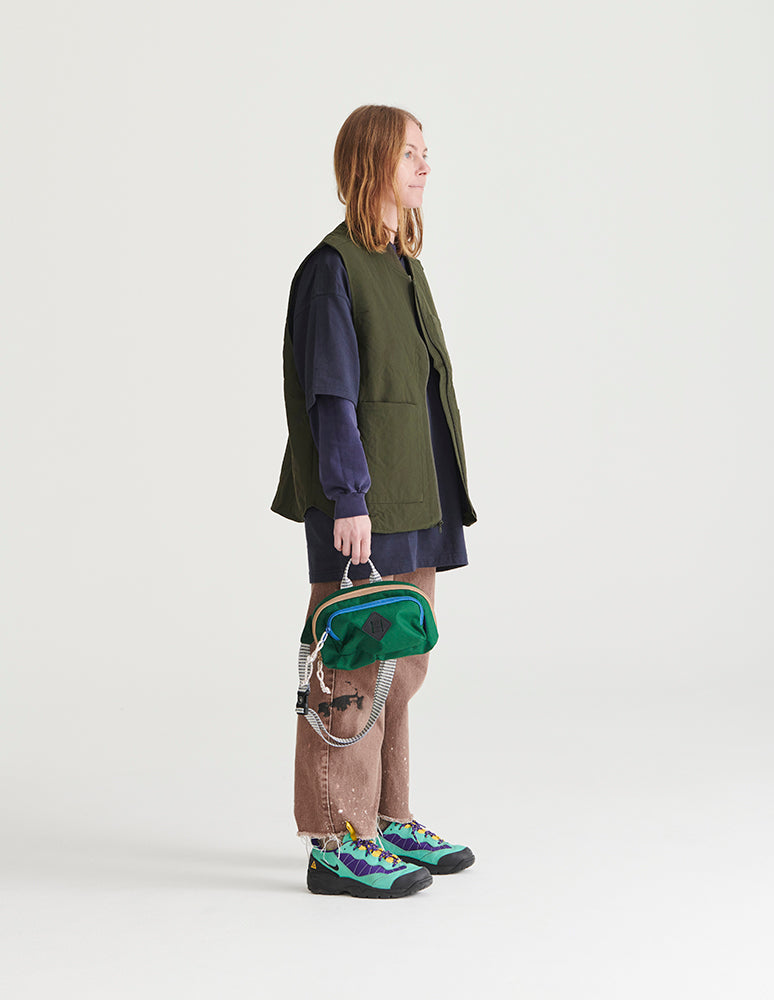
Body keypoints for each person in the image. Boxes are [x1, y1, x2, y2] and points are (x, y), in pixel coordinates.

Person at [272, 105, 477, 898]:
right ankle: (336, 838)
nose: (425, 166)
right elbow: (332, 396)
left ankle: (387, 818)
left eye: (427, 152)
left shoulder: (402, 264)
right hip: (362, 502)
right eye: (410, 153)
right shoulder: (333, 268)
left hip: (416, 496)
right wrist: (348, 496)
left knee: (401, 663)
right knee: (351, 667)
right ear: (371, 164)